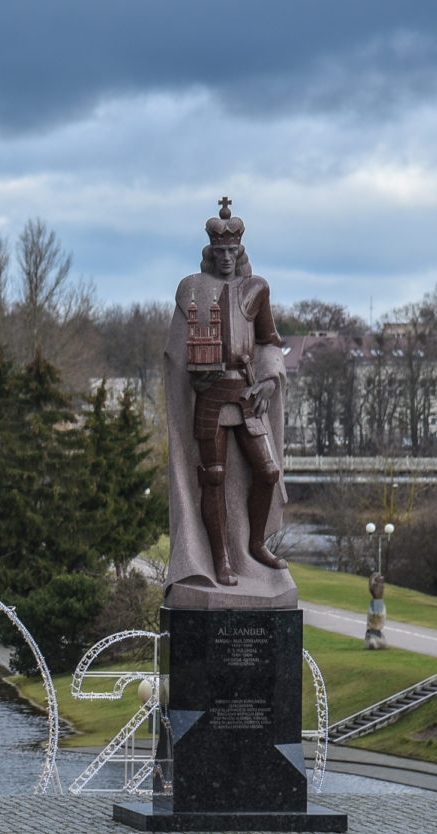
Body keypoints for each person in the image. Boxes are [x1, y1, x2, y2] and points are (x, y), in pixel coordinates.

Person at [163, 198, 291, 601]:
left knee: (267, 472)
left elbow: (270, 342)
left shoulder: (256, 289)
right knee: (212, 478)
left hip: (247, 393)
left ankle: (255, 545)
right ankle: (220, 557)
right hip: (211, 398)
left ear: (240, 252)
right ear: (210, 253)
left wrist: (270, 380)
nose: (225, 259)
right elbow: (176, 351)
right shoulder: (193, 290)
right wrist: (195, 372)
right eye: (219, 253)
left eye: (231, 252)